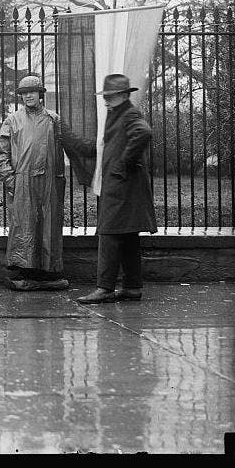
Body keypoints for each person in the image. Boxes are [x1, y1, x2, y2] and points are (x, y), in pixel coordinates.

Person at [0, 74, 90, 291]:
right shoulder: (13, 120)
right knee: (23, 225)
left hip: (49, 182)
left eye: (32, 92)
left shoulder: (54, 120)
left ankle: (47, 272)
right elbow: (0, 153)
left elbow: (73, 143)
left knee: (48, 225)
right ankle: (22, 271)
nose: (28, 96)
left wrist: (96, 148)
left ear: (40, 94)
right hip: (23, 182)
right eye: (24, 93)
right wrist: (10, 179)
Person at [76, 74, 157, 304]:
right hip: (125, 187)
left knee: (109, 234)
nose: (106, 101)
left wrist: (123, 164)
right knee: (129, 236)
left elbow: (144, 132)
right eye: (106, 96)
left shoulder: (129, 113)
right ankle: (132, 287)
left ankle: (105, 288)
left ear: (123, 95)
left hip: (122, 186)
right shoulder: (117, 114)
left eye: (110, 97)